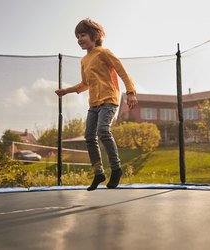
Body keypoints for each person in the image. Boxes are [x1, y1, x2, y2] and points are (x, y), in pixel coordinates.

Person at [55, 18, 137, 191]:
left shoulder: (104, 53)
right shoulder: (83, 61)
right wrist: (66, 90)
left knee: (103, 131)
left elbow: (122, 72)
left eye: (83, 35)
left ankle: (116, 168)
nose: (79, 39)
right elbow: (85, 83)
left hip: (109, 99)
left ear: (95, 35)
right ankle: (98, 172)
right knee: (89, 136)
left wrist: (130, 93)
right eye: (77, 36)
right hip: (94, 103)